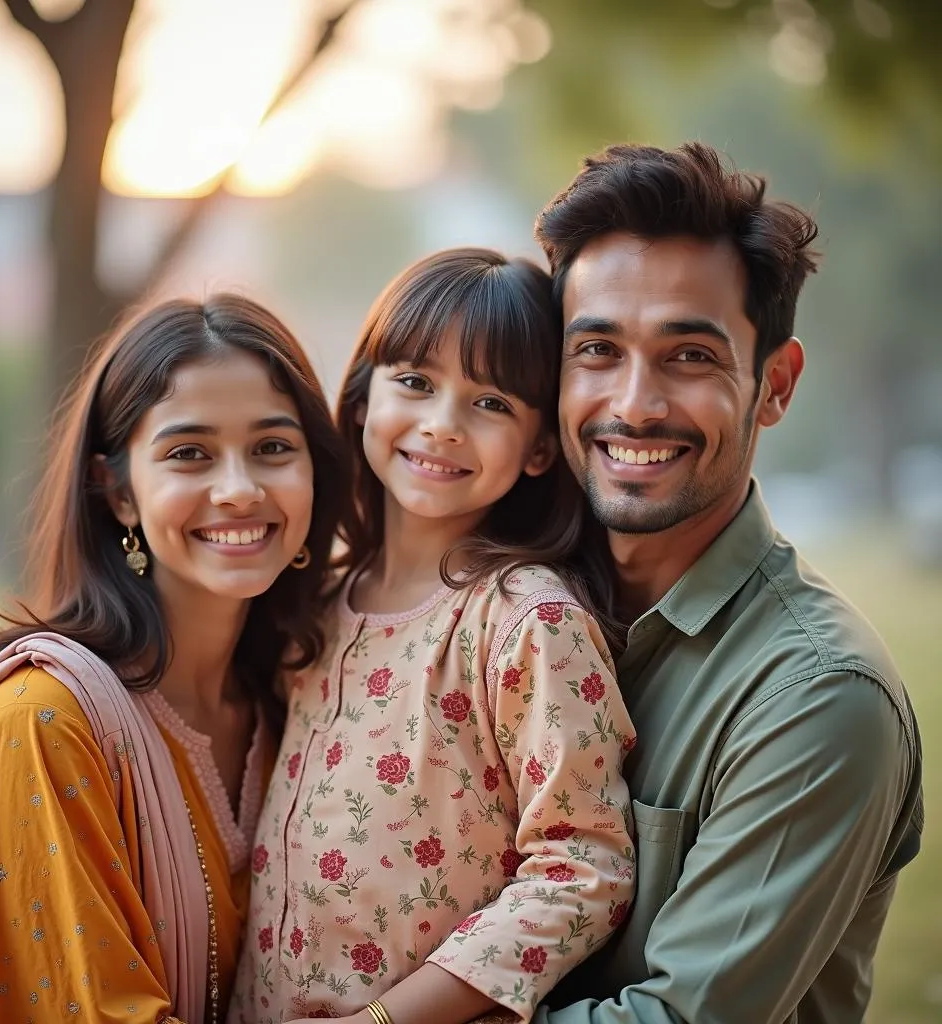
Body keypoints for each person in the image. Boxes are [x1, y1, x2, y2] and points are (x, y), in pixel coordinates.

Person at [528, 142, 924, 1023]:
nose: (635, 404)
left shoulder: (819, 698)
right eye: (597, 348)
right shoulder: (502, 613)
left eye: (690, 357)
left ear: (774, 386)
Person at [229, 248, 637, 1024]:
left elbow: (584, 867)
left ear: (540, 448)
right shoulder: (313, 603)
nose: (441, 426)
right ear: (360, 400)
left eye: (490, 404)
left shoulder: (527, 622)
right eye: (415, 382)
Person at [0, 294, 351, 1023]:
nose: (240, 490)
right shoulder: (45, 722)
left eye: (274, 447)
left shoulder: (304, 701)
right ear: (117, 491)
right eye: (190, 453)